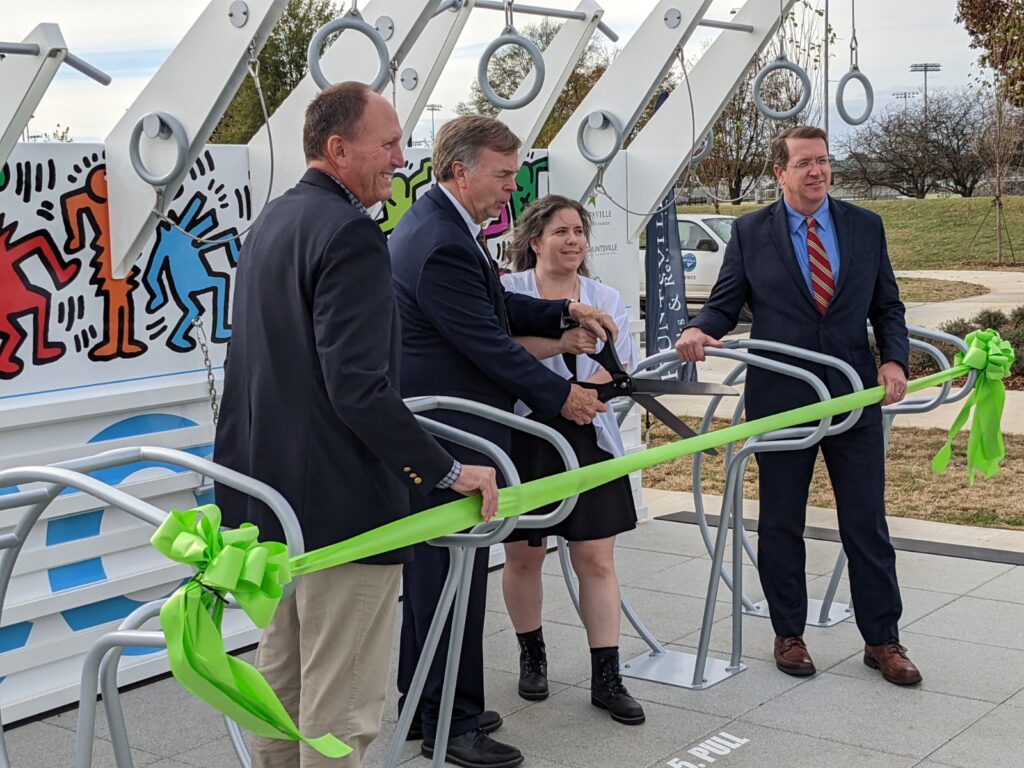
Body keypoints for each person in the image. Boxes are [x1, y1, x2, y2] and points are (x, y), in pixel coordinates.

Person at [213, 83, 499, 768]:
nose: (402, 158)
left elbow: (257, 371)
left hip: (270, 507)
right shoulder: (350, 235)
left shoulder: (273, 223)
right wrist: (449, 471)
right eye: (390, 143)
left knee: (279, 696)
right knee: (341, 715)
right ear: (338, 149)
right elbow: (360, 390)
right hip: (342, 513)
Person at [390, 116, 615, 768]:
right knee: (450, 576)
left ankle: (423, 699)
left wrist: (565, 312)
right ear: (462, 170)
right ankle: (451, 724)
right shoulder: (440, 241)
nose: (513, 190)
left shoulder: (444, 227)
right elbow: (486, 343)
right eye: (504, 174)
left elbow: (492, 308)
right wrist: (561, 396)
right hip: (452, 438)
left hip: (444, 430)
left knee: (437, 571)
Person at [675, 125, 921, 687]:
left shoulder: (864, 225)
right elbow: (725, 304)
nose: (817, 171)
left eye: (824, 161)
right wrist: (698, 330)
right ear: (780, 173)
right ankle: (789, 633)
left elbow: (889, 306)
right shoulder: (750, 231)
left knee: (866, 522)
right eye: (804, 163)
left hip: (853, 394)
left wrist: (894, 362)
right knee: (781, 520)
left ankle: (882, 639)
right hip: (782, 399)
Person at [499, 194, 646, 725]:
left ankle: (607, 676)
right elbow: (497, 353)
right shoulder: (507, 292)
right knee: (524, 556)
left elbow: (619, 363)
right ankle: (531, 654)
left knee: (596, 558)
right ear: (534, 239)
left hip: (589, 432)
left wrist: (584, 398)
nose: (573, 241)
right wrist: (560, 351)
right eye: (561, 231)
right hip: (523, 433)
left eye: (579, 231)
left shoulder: (603, 295)